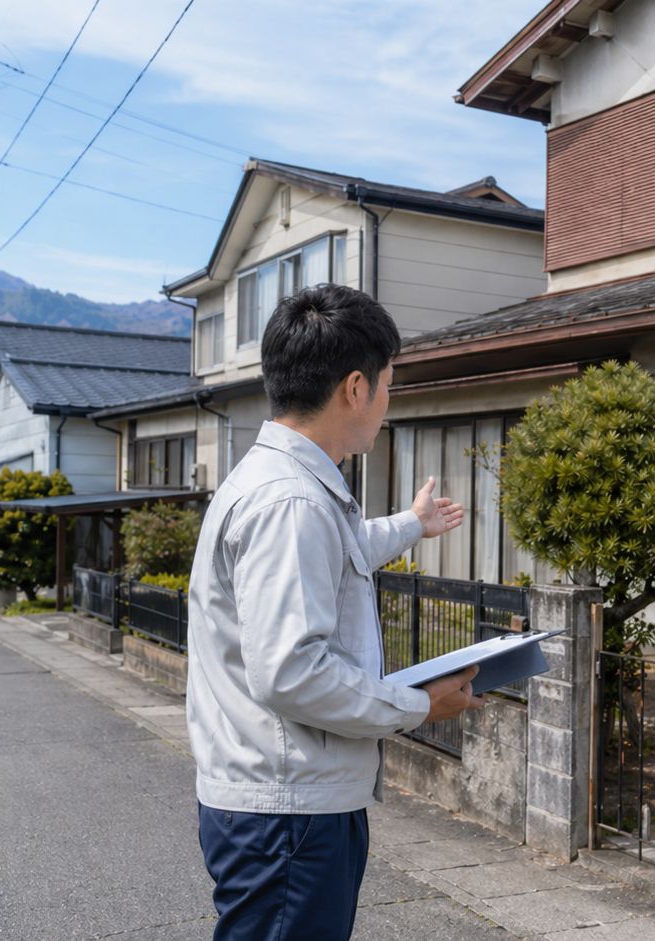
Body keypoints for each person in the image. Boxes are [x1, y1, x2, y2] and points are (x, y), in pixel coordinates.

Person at [186, 283, 485, 940]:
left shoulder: (288, 488)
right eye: (386, 385)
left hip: (284, 802)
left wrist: (411, 523)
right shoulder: (291, 502)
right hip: (288, 813)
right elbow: (291, 671)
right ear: (356, 386)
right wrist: (418, 705)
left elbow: (337, 554)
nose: (386, 401)